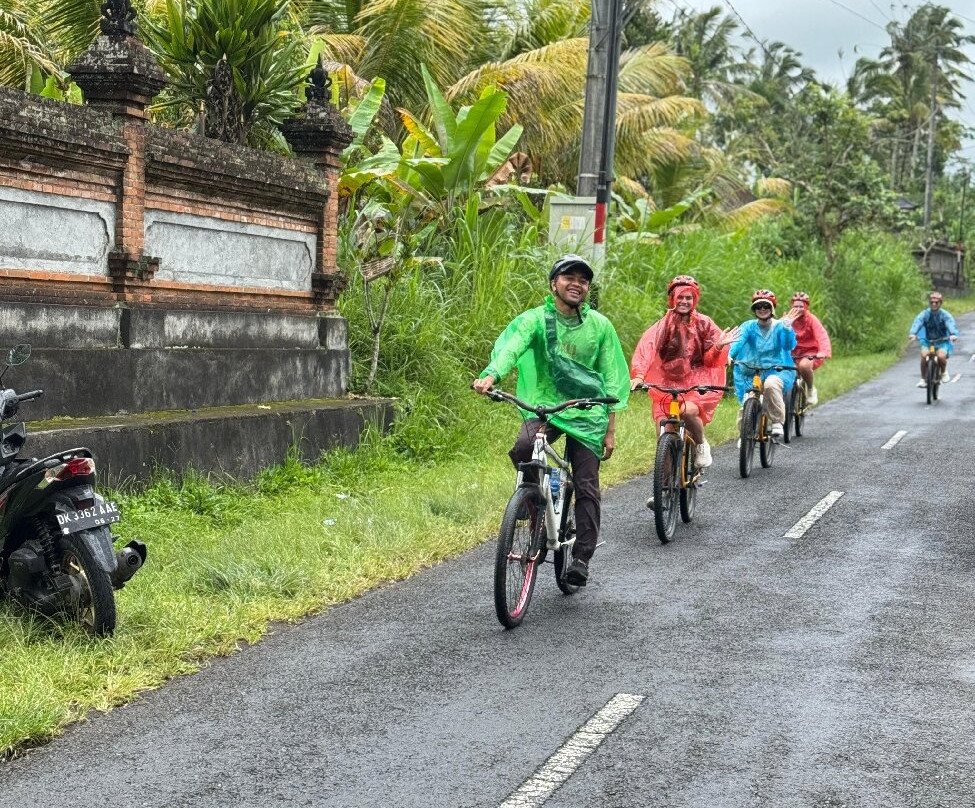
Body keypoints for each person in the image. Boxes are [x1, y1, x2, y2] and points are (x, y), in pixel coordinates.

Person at [472, 254, 630, 587]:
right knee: (525, 446)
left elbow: (612, 378)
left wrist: (610, 429)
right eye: (569, 277)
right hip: (545, 404)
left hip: (588, 411)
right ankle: (534, 511)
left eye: (583, 280)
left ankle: (582, 558)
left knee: (586, 483)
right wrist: (491, 374)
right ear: (553, 283)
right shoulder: (534, 320)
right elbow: (512, 347)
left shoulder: (599, 327)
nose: (577, 284)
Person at [629, 275, 739, 470]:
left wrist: (719, 347)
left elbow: (711, 361)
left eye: (688, 298)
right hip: (666, 384)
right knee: (664, 435)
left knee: (687, 411)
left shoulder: (704, 324)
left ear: (694, 300)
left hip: (697, 383)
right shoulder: (663, 325)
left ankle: (700, 444)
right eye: (680, 297)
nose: (684, 301)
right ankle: (664, 491)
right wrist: (638, 375)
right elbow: (647, 348)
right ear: (672, 298)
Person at [728, 290, 800, 437]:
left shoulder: (780, 326)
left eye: (765, 305)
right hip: (751, 369)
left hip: (777, 369)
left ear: (772, 308)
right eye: (758, 306)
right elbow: (738, 341)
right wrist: (729, 355)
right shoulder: (748, 326)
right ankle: (745, 436)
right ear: (754, 309)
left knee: (770, 385)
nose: (762, 309)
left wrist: (787, 329)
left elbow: (787, 346)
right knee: (749, 400)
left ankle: (777, 421)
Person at [789, 291, 831, 406]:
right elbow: (777, 332)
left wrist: (824, 351)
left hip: (810, 353)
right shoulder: (788, 318)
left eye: (801, 306)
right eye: (795, 306)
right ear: (792, 306)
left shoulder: (812, 319)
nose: (798, 309)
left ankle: (811, 389)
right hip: (792, 353)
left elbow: (821, 335)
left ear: (806, 307)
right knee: (784, 369)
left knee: (804, 366)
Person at [909, 291, 959, 386]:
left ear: (940, 303)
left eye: (936, 302)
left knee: (941, 357)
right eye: (932, 302)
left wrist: (953, 334)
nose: (934, 304)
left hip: (942, 341)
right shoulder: (925, 314)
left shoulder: (945, 315)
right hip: (928, 341)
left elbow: (950, 324)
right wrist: (913, 333)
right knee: (924, 356)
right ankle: (923, 379)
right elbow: (918, 322)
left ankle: (943, 372)